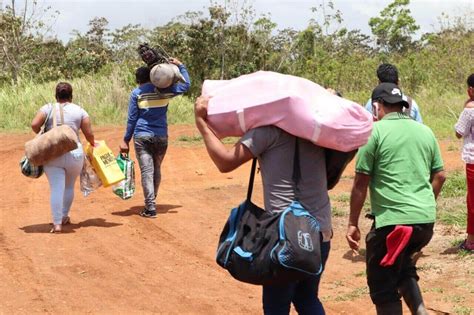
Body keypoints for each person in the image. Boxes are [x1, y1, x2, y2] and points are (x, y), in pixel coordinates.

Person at [194, 96, 332, 315]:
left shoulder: (267, 131)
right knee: (307, 298)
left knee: (276, 306)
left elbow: (225, 161)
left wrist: (201, 122)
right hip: (320, 232)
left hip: (283, 238)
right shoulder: (317, 131)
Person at [346, 82, 446, 315]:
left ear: (376, 107)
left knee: (382, 284)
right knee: (402, 268)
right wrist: (424, 203)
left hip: (392, 224)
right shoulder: (426, 131)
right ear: (402, 106)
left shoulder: (375, 132)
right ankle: (421, 311)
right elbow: (440, 175)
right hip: (424, 223)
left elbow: (361, 183)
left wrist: (352, 223)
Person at [120, 58, 190, 218]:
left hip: (142, 136)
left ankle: (150, 207)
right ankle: (152, 201)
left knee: (146, 171)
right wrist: (180, 65)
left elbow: (132, 119)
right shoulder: (165, 90)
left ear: (138, 80)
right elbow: (186, 85)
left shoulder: (137, 93)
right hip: (161, 137)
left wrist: (125, 139)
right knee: (156, 169)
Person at [30, 82, 95, 233]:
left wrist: (43, 134)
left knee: (56, 188)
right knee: (69, 186)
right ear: (71, 96)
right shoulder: (80, 110)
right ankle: (65, 215)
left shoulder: (48, 108)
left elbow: (34, 124)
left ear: (56, 95)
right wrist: (92, 143)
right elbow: (89, 134)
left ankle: (57, 223)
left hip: (53, 154)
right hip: (75, 154)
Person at [454, 73, 474, 252]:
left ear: (471, 90)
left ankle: (471, 241)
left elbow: (459, 131)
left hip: (473, 162)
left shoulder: (470, 109)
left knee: (472, 201)